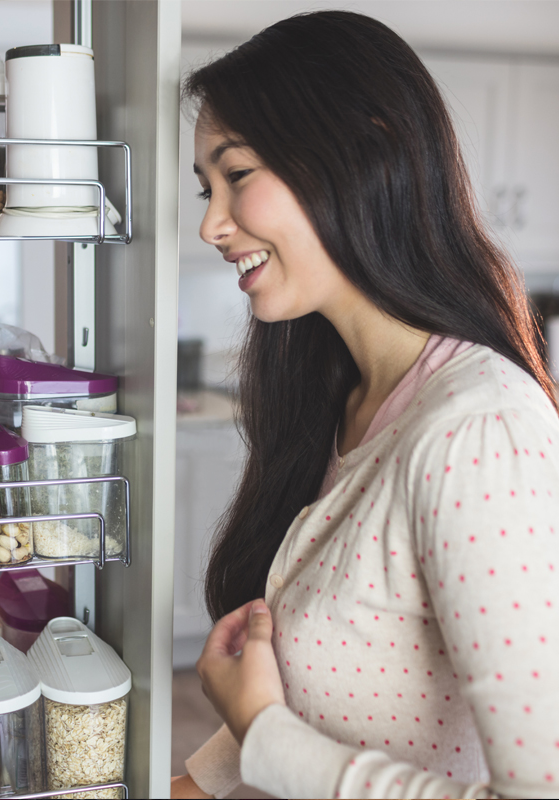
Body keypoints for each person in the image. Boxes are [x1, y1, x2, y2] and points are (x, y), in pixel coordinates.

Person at [171, 10, 559, 799]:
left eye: (237, 175)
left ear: (365, 148)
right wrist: (202, 777)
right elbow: (336, 677)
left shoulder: (479, 432)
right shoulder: (347, 399)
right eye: (206, 188)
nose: (212, 223)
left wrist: (264, 737)